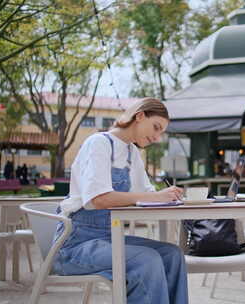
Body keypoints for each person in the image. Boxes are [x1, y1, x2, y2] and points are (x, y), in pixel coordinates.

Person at [53, 98, 188, 304]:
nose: (157, 137)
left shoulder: (131, 153)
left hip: (108, 239)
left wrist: (172, 198)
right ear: (140, 115)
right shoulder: (99, 143)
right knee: (147, 261)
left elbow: (148, 195)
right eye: (156, 127)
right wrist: (154, 196)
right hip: (75, 246)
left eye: (161, 132)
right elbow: (99, 199)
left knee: (173, 255)